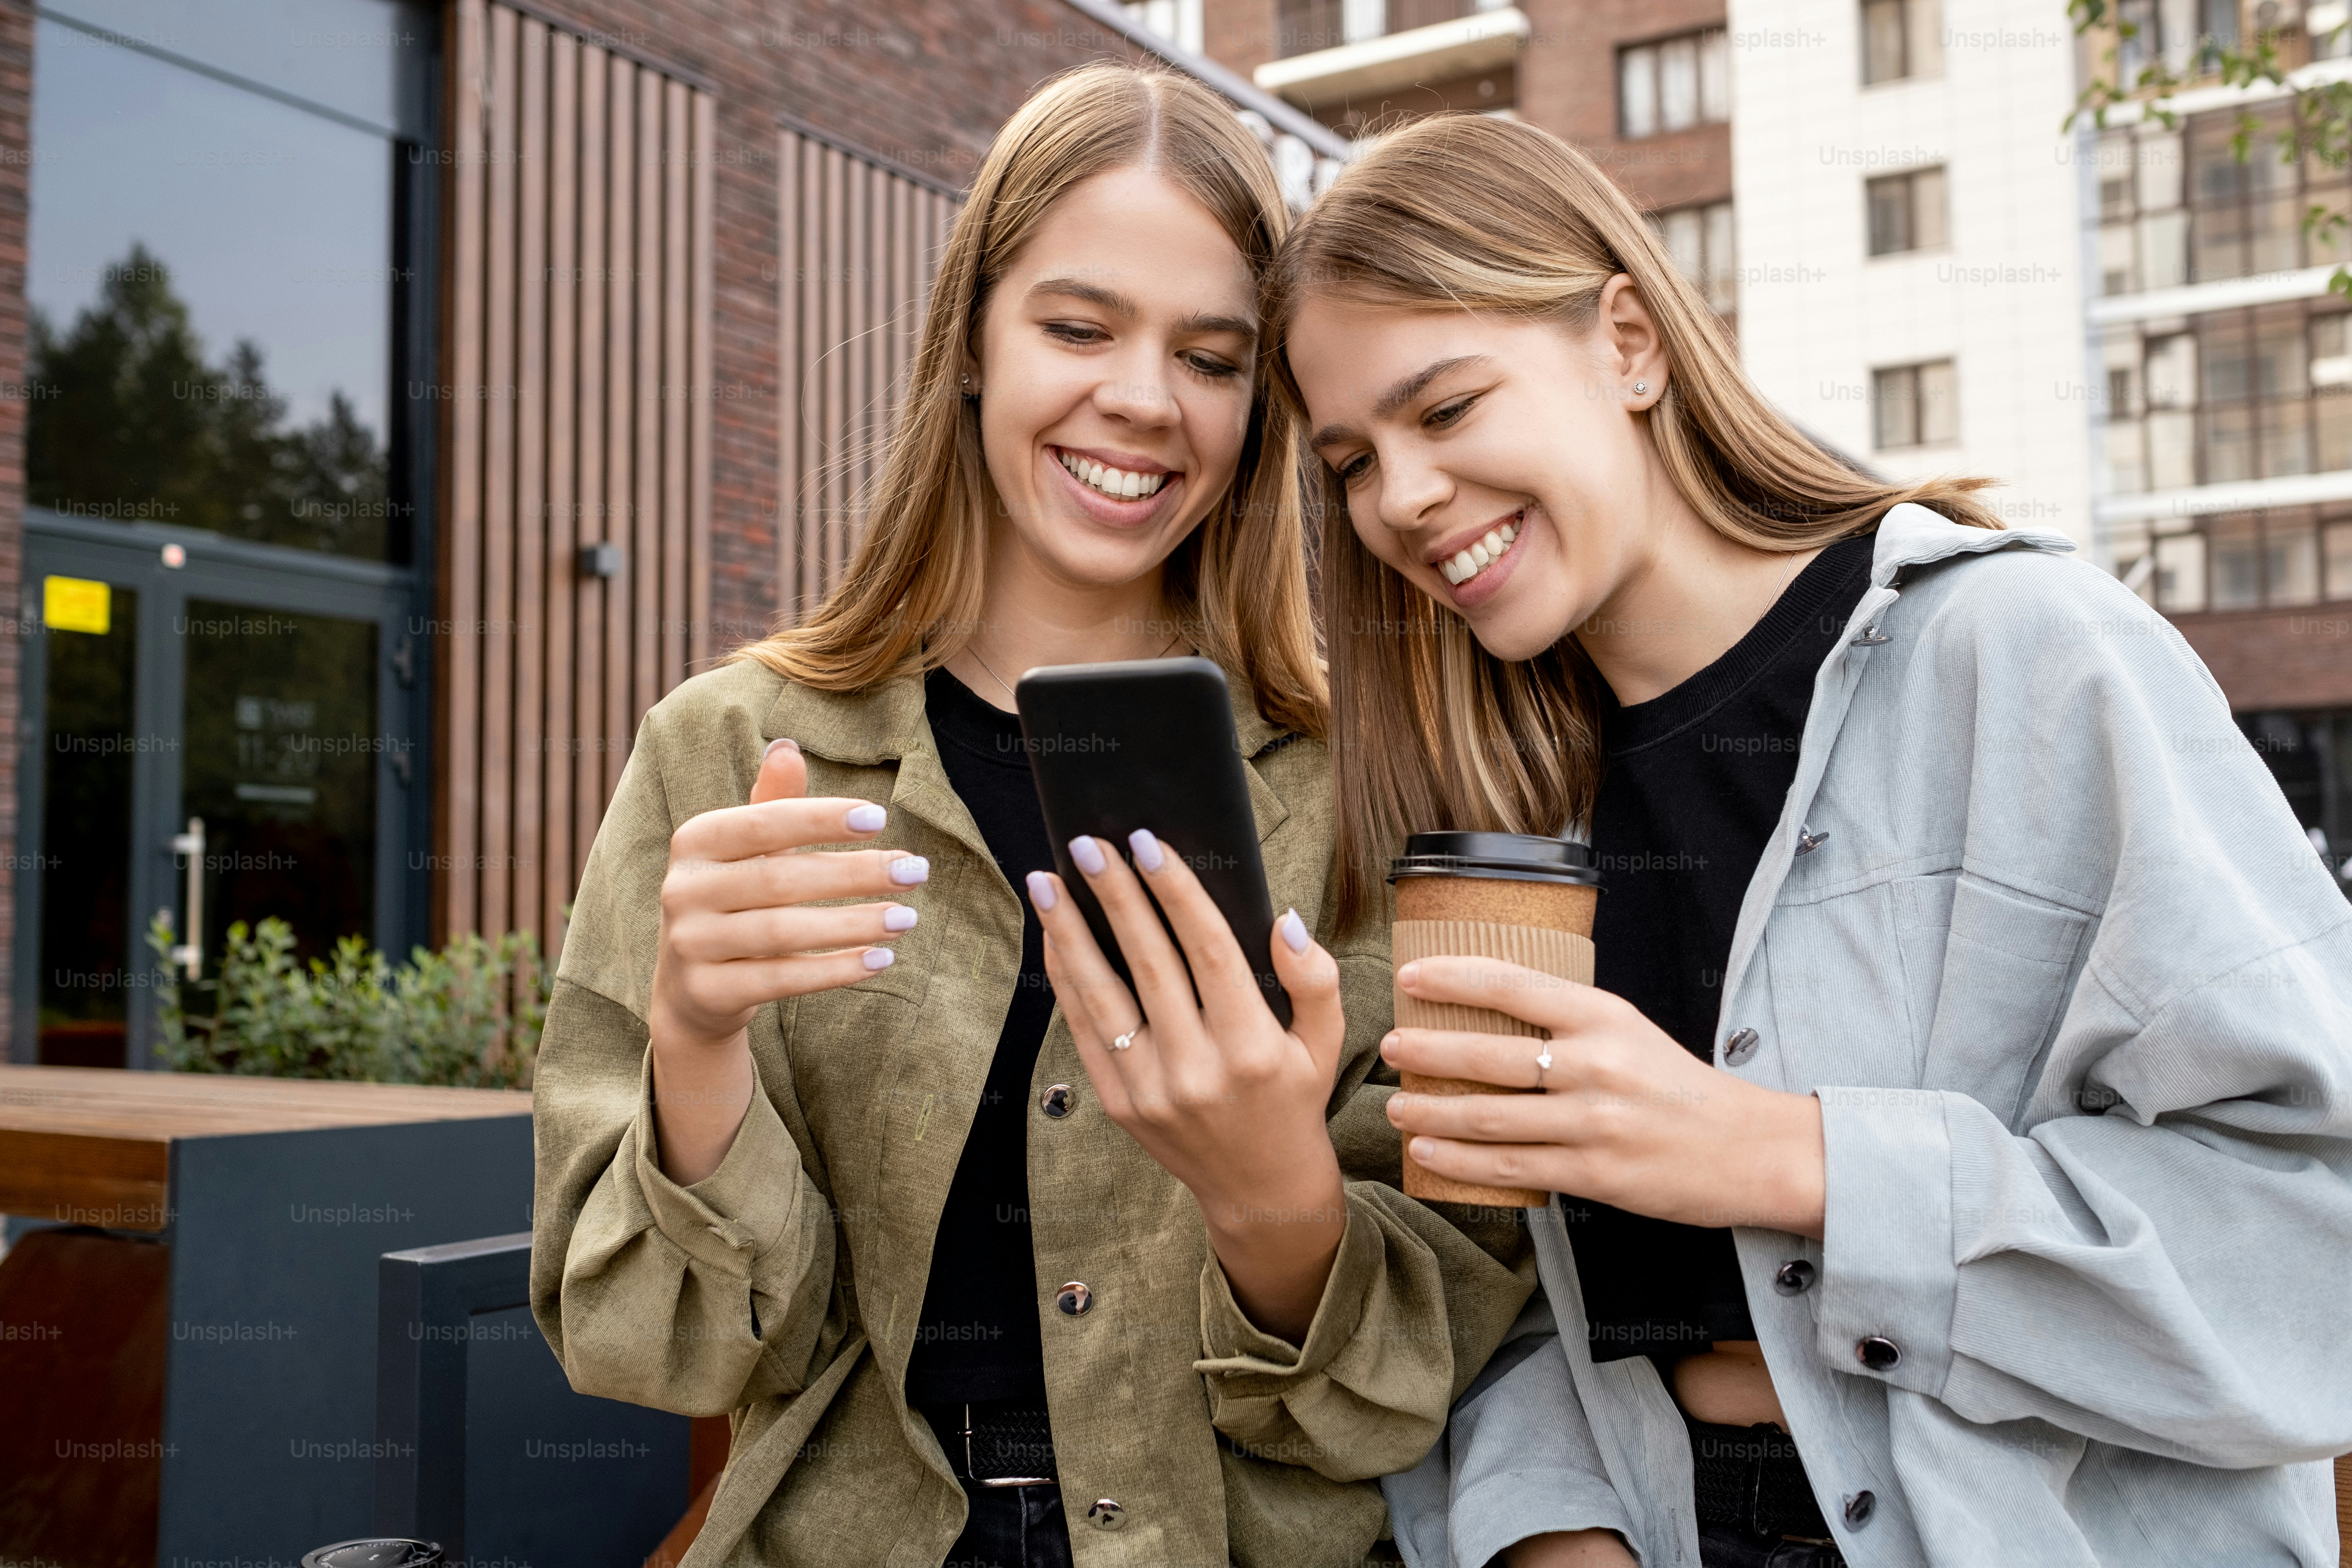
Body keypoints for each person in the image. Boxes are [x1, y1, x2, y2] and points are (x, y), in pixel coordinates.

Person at [1266, 112, 2352, 1568]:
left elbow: (2314, 1245)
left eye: (1447, 409)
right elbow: (1514, 1296)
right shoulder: (1507, 799)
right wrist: (1547, 1529)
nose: (1399, 498)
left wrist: (1789, 1158)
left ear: (1632, 344)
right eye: (1351, 460)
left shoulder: (2023, 660)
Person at [528, 64, 1529, 1568]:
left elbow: (1428, 1371)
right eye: (1078, 326)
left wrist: (1274, 1199)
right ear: (975, 342)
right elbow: (653, 1350)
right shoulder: (726, 749)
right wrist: (696, 1043)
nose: (1141, 396)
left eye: (1211, 355)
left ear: (1262, 407)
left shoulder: (1385, 784)